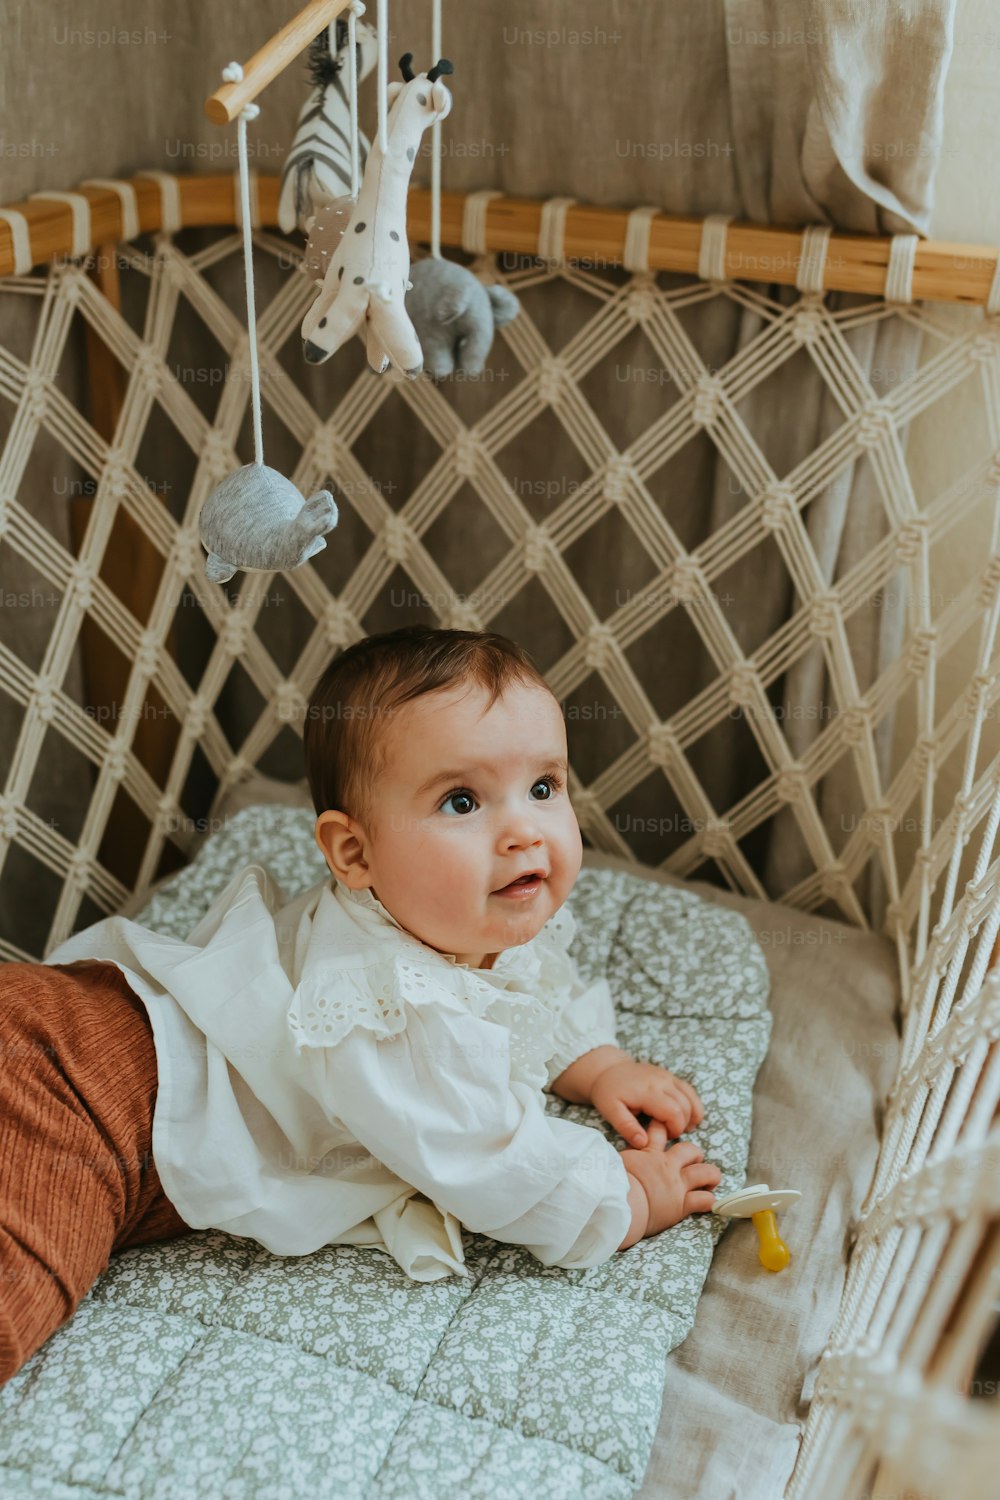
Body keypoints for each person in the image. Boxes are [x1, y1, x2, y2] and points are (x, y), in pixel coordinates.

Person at [0, 625, 720, 1385]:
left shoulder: (460, 910)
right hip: (84, 1092)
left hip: (79, 1044)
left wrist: (594, 1063)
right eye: (462, 800)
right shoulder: (386, 1005)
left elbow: (521, 975)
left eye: (543, 787)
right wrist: (628, 1196)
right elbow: (492, 1160)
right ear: (354, 854)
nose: (522, 831)